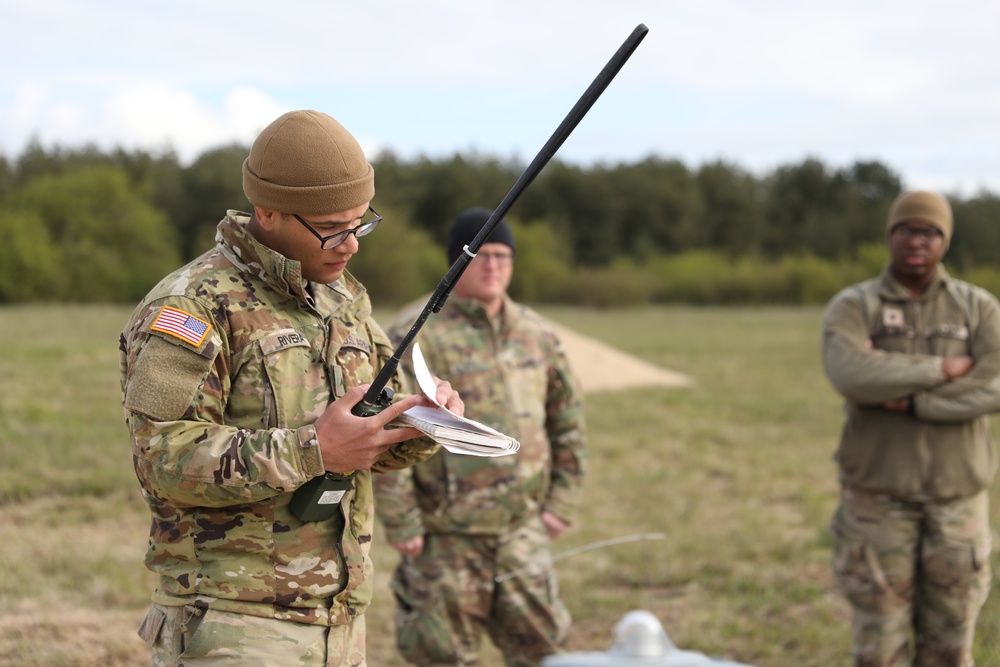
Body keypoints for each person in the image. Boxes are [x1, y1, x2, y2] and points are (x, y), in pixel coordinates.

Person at [119, 109, 463, 667]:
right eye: (332, 227)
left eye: (361, 222)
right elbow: (162, 457)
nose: (351, 244)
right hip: (234, 624)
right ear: (268, 211)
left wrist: (422, 420)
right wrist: (314, 450)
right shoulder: (192, 307)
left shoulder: (343, 301)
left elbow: (365, 446)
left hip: (341, 621)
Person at [373, 207, 588, 667]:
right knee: (442, 655)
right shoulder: (416, 333)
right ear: (458, 261)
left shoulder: (537, 334)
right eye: (483, 255)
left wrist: (562, 503)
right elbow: (389, 426)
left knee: (544, 652)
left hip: (521, 531)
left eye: (503, 256)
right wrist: (403, 522)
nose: (493, 266)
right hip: (444, 537)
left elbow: (567, 422)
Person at [821, 189, 1000, 666]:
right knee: (879, 645)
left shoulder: (978, 307)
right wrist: (944, 369)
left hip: (957, 502)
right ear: (890, 236)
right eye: (906, 229)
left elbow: (996, 383)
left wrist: (916, 403)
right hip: (877, 499)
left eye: (929, 231)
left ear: (944, 239)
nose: (917, 240)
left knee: (951, 644)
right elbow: (850, 374)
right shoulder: (855, 305)